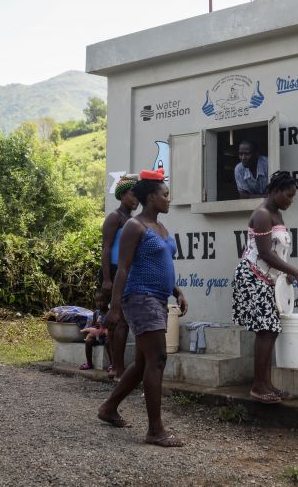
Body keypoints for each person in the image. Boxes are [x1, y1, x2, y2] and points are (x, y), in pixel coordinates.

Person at [98, 171, 189, 447]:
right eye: (164, 194)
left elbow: (162, 264)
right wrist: (114, 308)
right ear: (150, 197)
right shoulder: (134, 227)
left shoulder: (161, 228)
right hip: (139, 297)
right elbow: (123, 267)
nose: (168, 199)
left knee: (142, 363)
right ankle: (155, 430)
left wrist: (177, 291)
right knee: (158, 358)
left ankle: (109, 408)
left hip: (159, 298)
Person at [231, 170, 298, 404]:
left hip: (269, 279)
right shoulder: (263, 215)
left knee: (271, 330)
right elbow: (265, 253)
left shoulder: (276, 213)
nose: (291, 200)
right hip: (253, 276)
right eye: (288, 195)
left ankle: (267, 384)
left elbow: (278, 252)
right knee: (266, 330)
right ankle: (258, 386)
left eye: (293, 196)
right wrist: (294, 271)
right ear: (275, 191)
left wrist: (283, 276)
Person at [101, 175, 138, 378]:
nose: (136, 199)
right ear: (122, 194)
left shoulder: (131, 219)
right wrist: (107, 279)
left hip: (125, 271)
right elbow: (106, 248)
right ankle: (119, 367)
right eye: (133, 194)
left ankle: (115, 365)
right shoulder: (115, 217)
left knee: (118, 322)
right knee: (118, 321)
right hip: (113, 272)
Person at [80, 290, 109, 371]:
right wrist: (95, 326)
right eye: (97, 301)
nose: (99, 303)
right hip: (98, 337)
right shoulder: (96, 313)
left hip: (107, 336)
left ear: (107, 301)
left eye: (101, 301)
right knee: (88, 341)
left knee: (108, 342)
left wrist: (104, 326)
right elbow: (93, 326)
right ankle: (89, 363)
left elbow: (112, 327)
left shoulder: (110, 313)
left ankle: (113, 364)